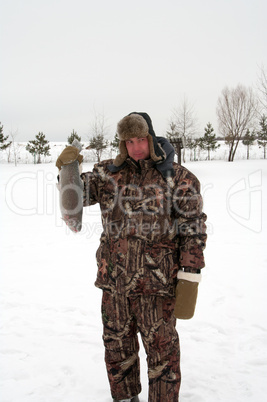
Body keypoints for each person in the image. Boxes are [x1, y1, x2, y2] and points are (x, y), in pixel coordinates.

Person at [56, 112, 207, 402]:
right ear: (123, 144)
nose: (136, 147)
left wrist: (190, 274)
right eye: (129, 141)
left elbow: (194, 227)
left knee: (163, 356)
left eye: (141, 140)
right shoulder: (106, 174)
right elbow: (74, 199)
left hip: (158, 287)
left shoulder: (177, 177)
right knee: (117, 351)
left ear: (150, 138)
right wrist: (68, 169)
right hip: (114, 285)